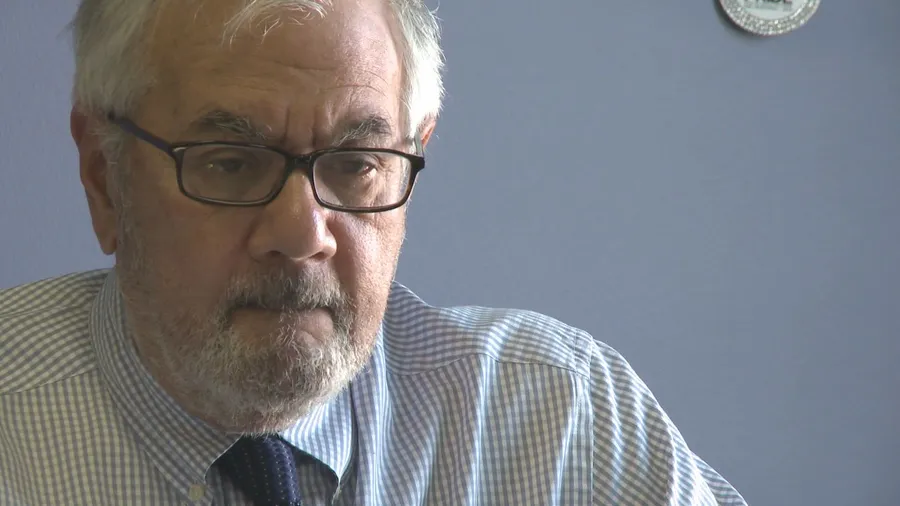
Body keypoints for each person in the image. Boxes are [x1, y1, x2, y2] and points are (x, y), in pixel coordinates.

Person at [0, 0, 748, 504]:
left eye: (356, 164)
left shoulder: (558, 420)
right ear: (104, 177)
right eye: (229, 162)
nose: (304, 235)